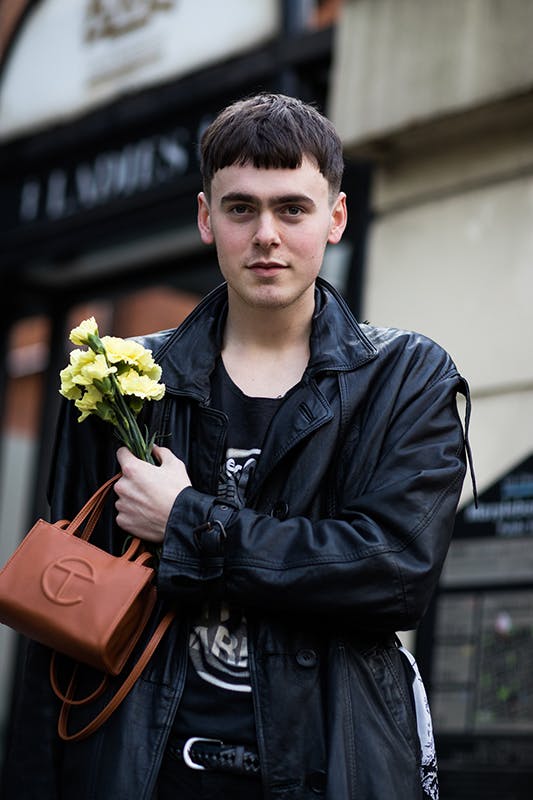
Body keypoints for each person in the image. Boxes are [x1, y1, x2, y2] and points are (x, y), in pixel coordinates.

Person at [3, 92, 474, 800]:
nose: (266, 235)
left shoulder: (403, 376)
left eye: (292, 209)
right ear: (205, 218)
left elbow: (390, 572)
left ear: (335, 218)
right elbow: (61, 616)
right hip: (138, 767)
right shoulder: (122, 382)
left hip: (324, 768)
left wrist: (187, 521)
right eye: (240, 208)